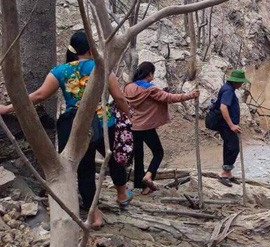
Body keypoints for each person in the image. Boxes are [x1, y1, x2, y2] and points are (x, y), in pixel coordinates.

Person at [0, 30, 132, 227]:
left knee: (85, 170)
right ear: (91, 48)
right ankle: (122, 195)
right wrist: (128, 113)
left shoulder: (60, 71)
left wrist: (9, 108)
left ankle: (94, 216)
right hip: (105, 123)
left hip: (77, 125)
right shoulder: (102, 68)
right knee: (113, 160)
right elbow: (119, 97)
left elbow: (39, 96)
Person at [124, 62, 199, 195]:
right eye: (153, 73)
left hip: (133, 127)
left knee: (138, 157)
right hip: (146, 127)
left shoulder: (129, 87)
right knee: (158, 152)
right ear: (150, 74)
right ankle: (148, 177)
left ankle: (139, 186)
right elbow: (170, 98)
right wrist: (190, 95)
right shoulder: (151, 90)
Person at [212, 69, 249, 187]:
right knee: (234, 147)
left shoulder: (228, 88)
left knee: (228, 146)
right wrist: (232, 125)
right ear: (236, 82)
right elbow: (223, 107)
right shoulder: (228, 90)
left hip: (225, 124)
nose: (242, 84)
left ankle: (228, 172)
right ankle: (224, 173)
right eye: (241, 82)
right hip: (227, 125)